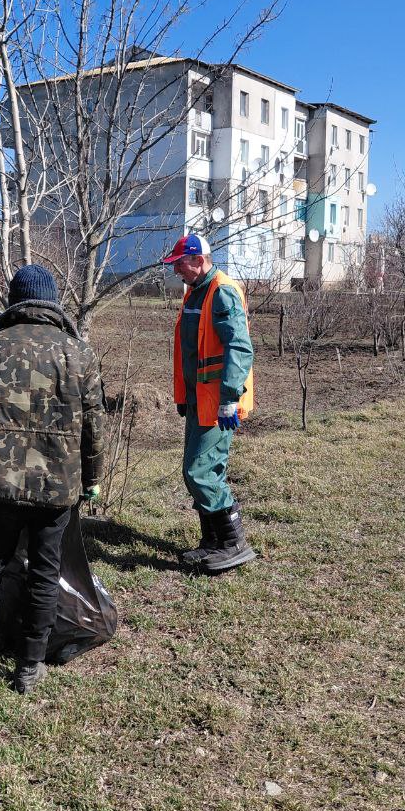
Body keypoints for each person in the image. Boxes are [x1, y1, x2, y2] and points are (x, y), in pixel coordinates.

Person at [0, 264, 105, 693]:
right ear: (53, 301)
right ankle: (29, 666)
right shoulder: (78, 352)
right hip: (58, 485)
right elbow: (94, 425)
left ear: (14, 301)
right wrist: (92, 477)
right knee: (45, 572)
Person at [161, 233, 257, 574]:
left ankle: (233, 543)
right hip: (199, 399)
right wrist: (185, 396)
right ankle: (212, 543)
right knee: (199, 470)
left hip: (219, 404)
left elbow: (240, 348)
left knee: (199, 471)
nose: (177, 272)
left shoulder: (222, 291)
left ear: (199, 260)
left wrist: (230, 398)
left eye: (180, 265)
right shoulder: (197, 291)